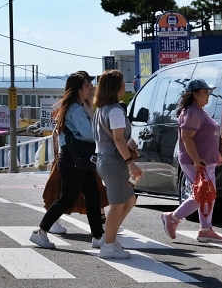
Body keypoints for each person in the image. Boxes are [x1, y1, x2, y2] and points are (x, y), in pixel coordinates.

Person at [31, 73, 105, 249]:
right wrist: (105, 132)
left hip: (79, 158)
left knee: (93, 196)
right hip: (73, 159)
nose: (90, 88)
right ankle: (40, 232)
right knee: (67, 198)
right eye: (87, 85)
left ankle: (98, 236)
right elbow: (88, 133)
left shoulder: (77, 106)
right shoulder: (75, 109)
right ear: (79, 89)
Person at [160, 79, 222, 243]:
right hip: (195, 161)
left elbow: (204, 136)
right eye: (204, 92)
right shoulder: (193, 112)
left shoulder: (198, 111)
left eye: (208, 92)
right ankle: (173, 218)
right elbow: (187, 137)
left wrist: (215, 153)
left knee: (207, 195)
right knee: (202, 194)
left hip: (204, 161)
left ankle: (205, 229)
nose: (208, 96)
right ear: (195, 94)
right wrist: (196, 159)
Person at [93, 69, 142, 260]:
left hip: (104, 160)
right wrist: (131, 163)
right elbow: (119, 140)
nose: (125, 85)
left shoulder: (102, 110)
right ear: (115, 87)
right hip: (114, 162)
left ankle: (108, 237)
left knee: (129, 200)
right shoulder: (115, 110)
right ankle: (108, 245)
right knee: (117, 204)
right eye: (122, 82)